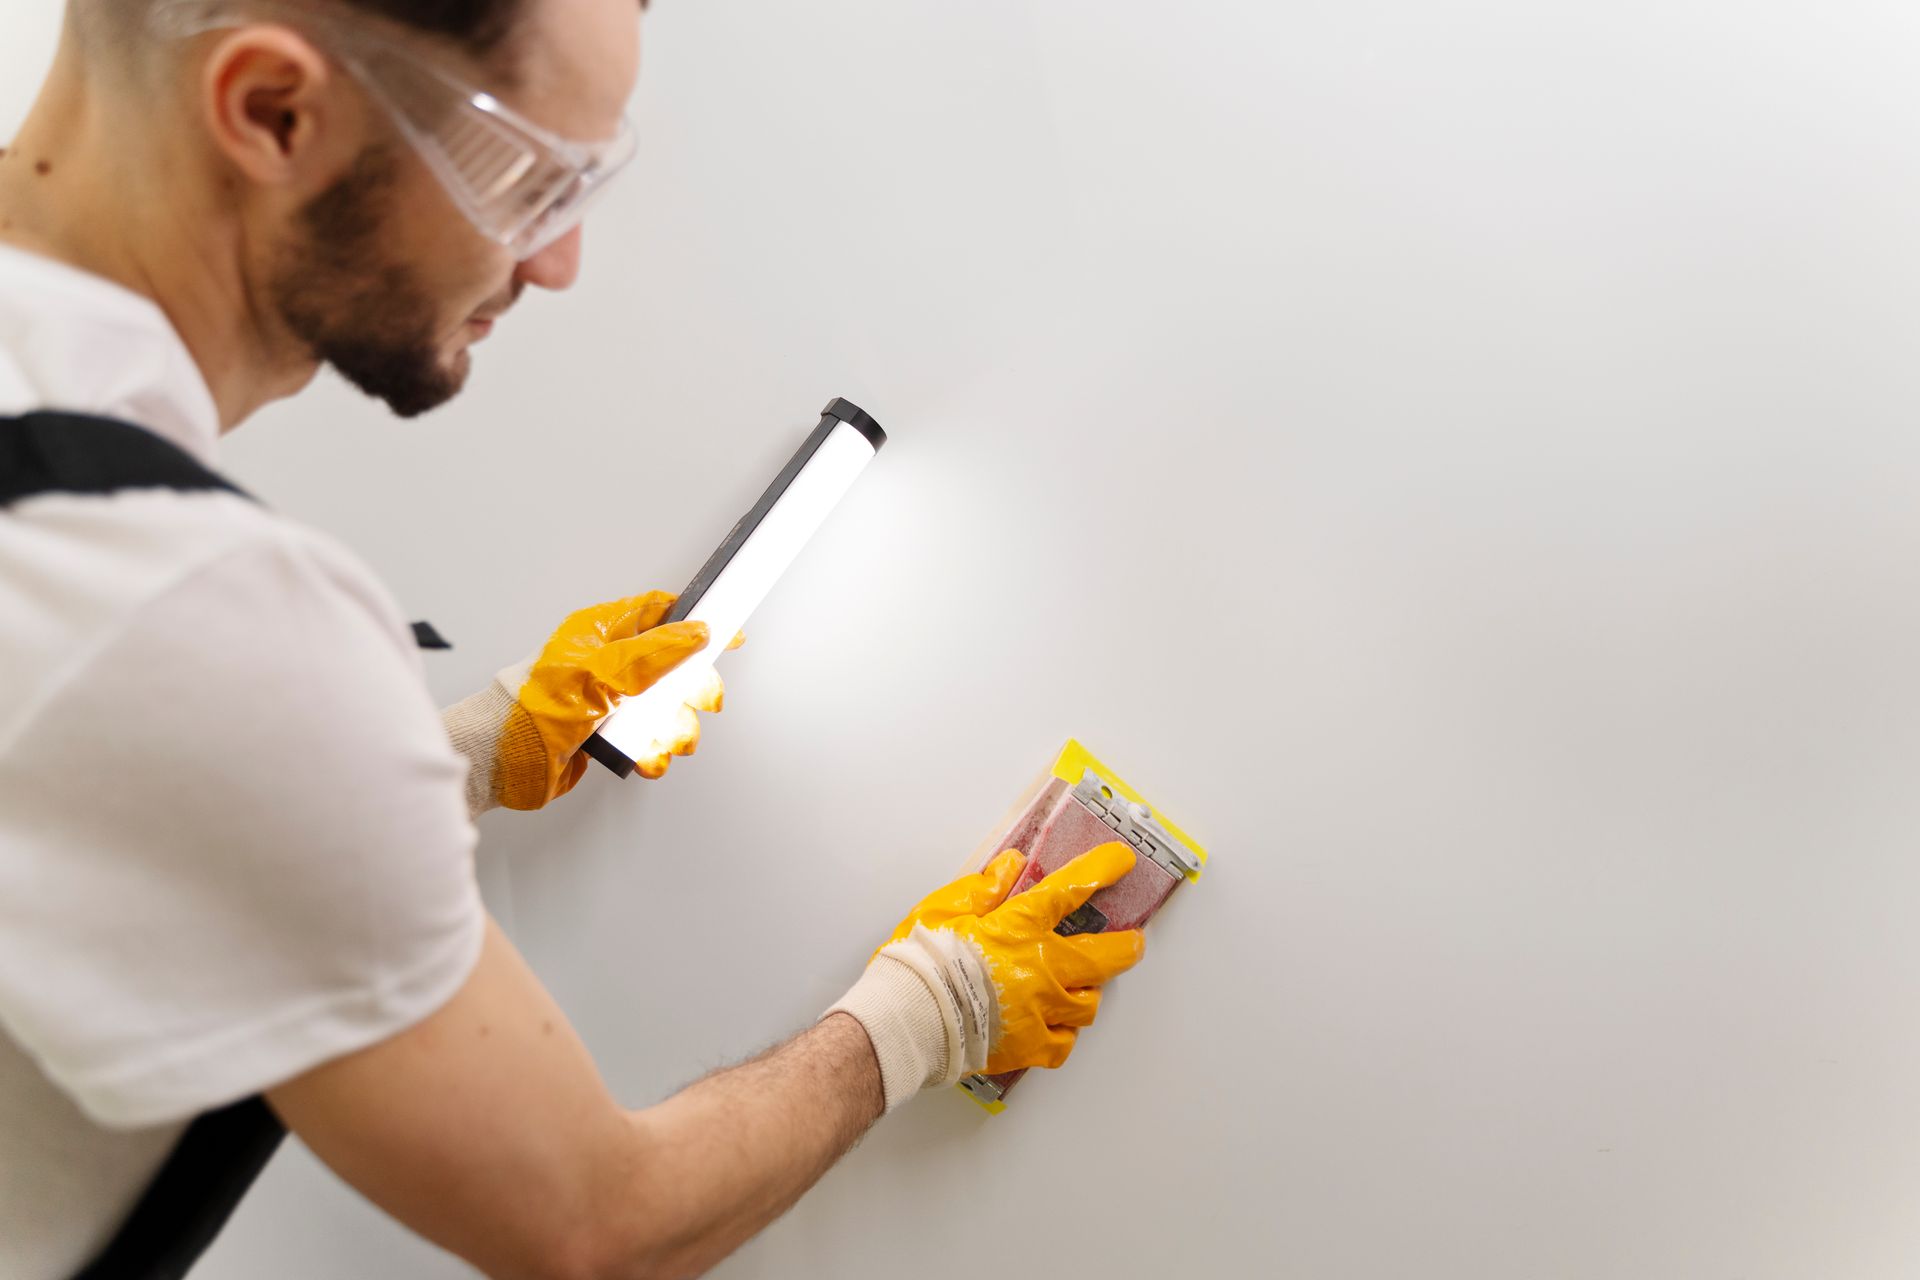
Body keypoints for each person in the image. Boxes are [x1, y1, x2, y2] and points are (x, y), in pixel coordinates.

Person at [0, 1, 1146, 1276]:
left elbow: (89, 771)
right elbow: (595, 1223)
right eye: (531, 177)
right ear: (272, 110)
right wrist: (935, 1006)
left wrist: (466, 753)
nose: (560, 262)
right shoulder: (196, 618)